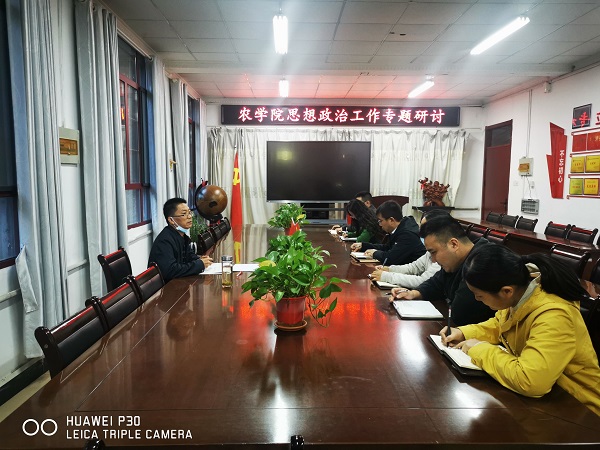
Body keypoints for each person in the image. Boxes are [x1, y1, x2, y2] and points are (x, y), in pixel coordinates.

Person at [441, 244, 600, 416]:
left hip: (580, 410)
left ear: (506, 291)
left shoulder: (555, 315)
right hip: (548, 399)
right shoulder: (520, 294)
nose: (477, 300)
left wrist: (479, 349)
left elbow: (531, 381)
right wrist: (464, 333)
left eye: (479, 295)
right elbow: (499, 324)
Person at [390, 215, 494, 326]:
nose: (433, 260)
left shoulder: (482, 263)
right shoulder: (456, 261)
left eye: (433, 252)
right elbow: (436, 283)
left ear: (453, 244)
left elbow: (460, 314)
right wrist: (413, 293)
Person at [370, 209, 447, 287]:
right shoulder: (430, 250)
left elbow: (423, 281)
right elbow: (414, 267)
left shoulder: (443, 253)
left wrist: (387, 276)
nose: (420, 232)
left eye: (424, 229)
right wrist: (390, 269)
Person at [148, 198, 212, 282]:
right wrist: (199, 264)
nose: (189, 217)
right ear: (171, 220)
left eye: (189, 212)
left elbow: (188, 256)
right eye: (184, 214)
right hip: (167, 287)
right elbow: (171, 270)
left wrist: (199, 259)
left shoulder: (182, 236)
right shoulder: (164, 241)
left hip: (179, 282)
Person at [351, 200, 425, 266]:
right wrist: (363, 246)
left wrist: (374, 253)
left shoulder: (407, 234)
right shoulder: (398, 229)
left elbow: (391, 258)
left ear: (391, 220)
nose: (380, 224)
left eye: (380, 221)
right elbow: (387, 248)